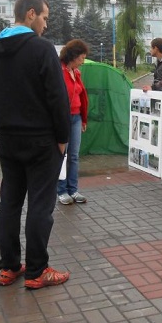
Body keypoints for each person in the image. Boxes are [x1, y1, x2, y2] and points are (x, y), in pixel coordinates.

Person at [0, 0, 71, 289]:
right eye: (44, 17)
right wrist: (62, 138)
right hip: (40, 141)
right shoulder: (41, 49)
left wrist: (1, 124)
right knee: (40, 206)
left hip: (8, 139)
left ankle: (9, 266)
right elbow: (57, 97)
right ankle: (37, 270)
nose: (45, 25)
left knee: (9, 202)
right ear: (31, 14)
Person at [57, 39, 89, 206]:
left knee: (74, 156)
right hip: (62, 119)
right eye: (81, 58)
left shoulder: (76, 73)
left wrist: (83, 119)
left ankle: (73, 189)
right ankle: (61, 190)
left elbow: (81, 96)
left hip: (76, 117)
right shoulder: (58, 71)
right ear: (74, 55)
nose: (83, 61)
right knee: (62, 155)